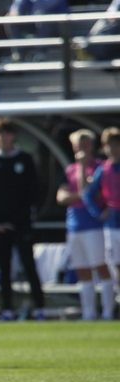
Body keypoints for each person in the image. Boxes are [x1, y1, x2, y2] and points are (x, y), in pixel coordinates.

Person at [0, 118, 45, 321]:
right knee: (4, 268)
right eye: (0, 134)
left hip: (21, 223)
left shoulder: (25, 159)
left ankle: (40, 308)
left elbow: (32, 193)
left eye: (7, 133)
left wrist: (16, 220)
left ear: (13, 136)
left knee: (29, 266)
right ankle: (7, 308)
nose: (4, 138)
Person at [57, 129, 114, 321]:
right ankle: (88, 313)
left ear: (91, 146)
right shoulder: (69, 169)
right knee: (82, 270)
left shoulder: (99, 167)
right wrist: (77, 196)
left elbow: (87, 192)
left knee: (101, 267)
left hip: (94, 225)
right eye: (77, 146)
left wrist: (82, 170)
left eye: (84, 145)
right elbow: (62, 197)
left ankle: (107, 311)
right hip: (74, 225)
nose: (80, 150)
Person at [83, 126, 120, 318]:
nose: (114, 149)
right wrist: (100, 212)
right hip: (112, 224)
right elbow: (88, 195)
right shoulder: (103, 170)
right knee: (115, 266)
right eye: (110, 146)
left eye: (117, 145)